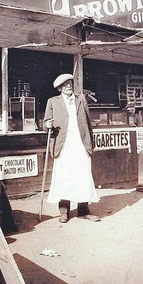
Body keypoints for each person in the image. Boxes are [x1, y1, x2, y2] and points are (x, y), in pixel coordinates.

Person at [43, 73, 100, 223]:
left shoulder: (80, 100)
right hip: (64, 146)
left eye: (70, 83)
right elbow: (45, 123)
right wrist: (47, 125)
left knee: (82, 177)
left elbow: (88, 123)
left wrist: (90, 144)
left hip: (80, 144)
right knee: (64, 178)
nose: (69, 86)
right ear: (59, 88)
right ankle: (64, 212)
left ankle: (83, 210)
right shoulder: (52, 102)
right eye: (65, 84)